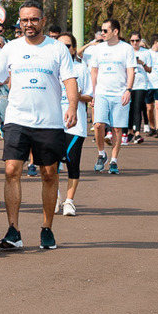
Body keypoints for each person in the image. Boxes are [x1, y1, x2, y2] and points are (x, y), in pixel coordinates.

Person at [0, 2, 79, 251]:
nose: (29, 24)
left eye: (34, 19)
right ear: (19, 22)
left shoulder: (57, 49)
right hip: (17, 120)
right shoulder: (11, 49)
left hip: (49, 122)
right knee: (11, 172)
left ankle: (47, 228)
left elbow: (70, 81)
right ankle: (13, 230)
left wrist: (71, 108)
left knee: (49, 174)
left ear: (43, 20)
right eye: (24, 20)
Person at [87, 18, 135, 174]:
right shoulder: (98, 49)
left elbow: (130, 71)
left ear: (115, 32)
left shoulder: (126, 49)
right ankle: (101, 154)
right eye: (102, 30)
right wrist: (93, 93)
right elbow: (94, 71)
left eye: (105, 30)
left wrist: (128, 89)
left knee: (116, 128)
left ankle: (114, 160)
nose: (102, 33)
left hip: (120, 93)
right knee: (98, 125)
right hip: (101, 92)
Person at [56, 33, 93, 216]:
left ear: (73, 48)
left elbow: (89, 96)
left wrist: (75, 95)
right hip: (52, 123)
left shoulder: (81, 69)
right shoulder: (51, 68)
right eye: (60, 45)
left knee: (72, 163)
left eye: (68, 45)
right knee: (50, 165)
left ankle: (69, 201)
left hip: (74, 125)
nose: (64, 49)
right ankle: (55, 197)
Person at [127, 32, 154, 143]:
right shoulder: (127, 51)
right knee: (129, 109)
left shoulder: (146, 53)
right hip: (129, 84)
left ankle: (137, 132)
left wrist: (142, 63)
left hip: (141, 84)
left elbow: (150, 70)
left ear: (140, 41)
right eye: (132, 41)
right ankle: (129, 131)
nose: (135, 43)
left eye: (137, 40)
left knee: (138, 108)